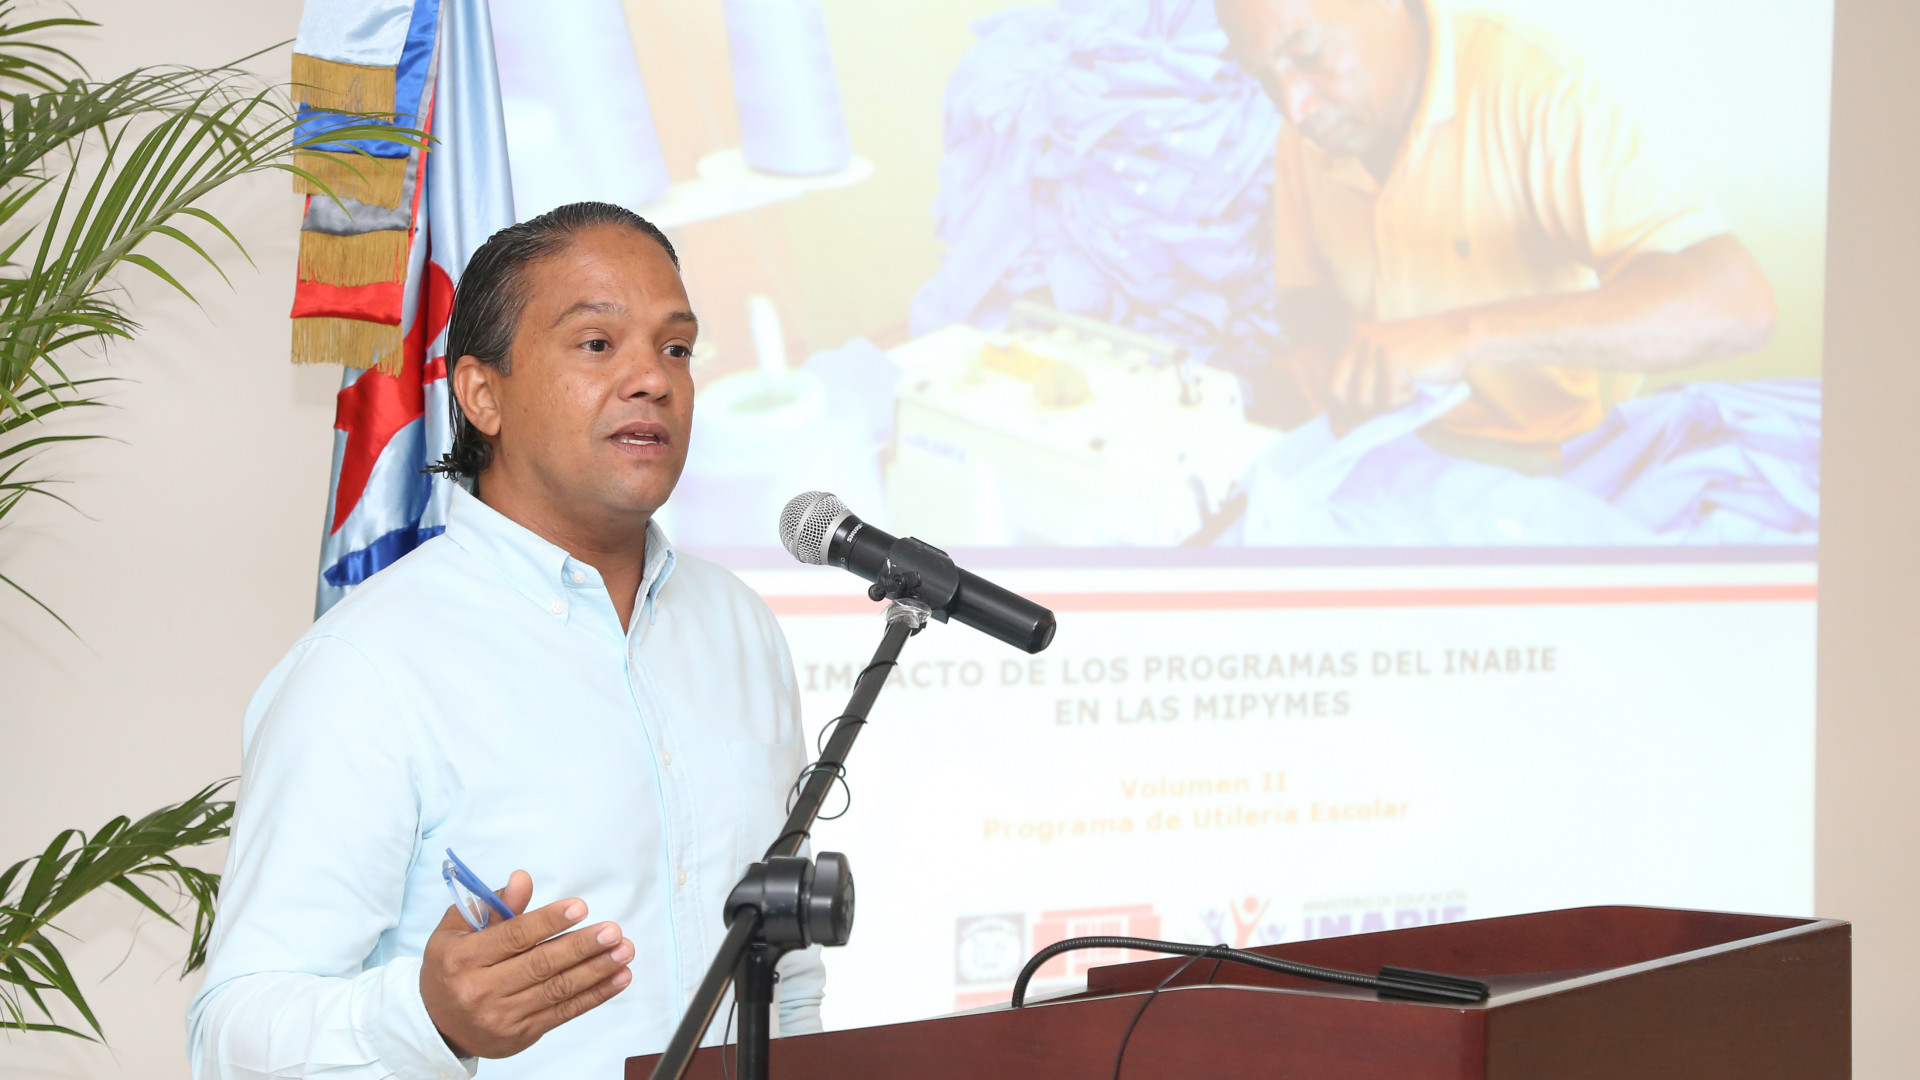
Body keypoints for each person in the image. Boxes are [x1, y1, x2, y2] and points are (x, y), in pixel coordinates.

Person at [188, 201, 823, 1079]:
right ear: (482, 393)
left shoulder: (739, 626)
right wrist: (428, 1021)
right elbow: (232, 1031)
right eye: (597, 343)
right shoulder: (367, 665)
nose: (653, 379)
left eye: (677, 348)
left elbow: (788, 976)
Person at [1216, 0, 1777, 448]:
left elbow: (1737, 304)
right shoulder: (1308, 131)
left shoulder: (1539, 88)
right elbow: (1305, 292)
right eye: (1264, 75)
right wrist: (1328, 357)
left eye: (1308, 54)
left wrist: (1465, 336)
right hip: (1379, 457)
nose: (1294, 107)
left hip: (1537, 462)